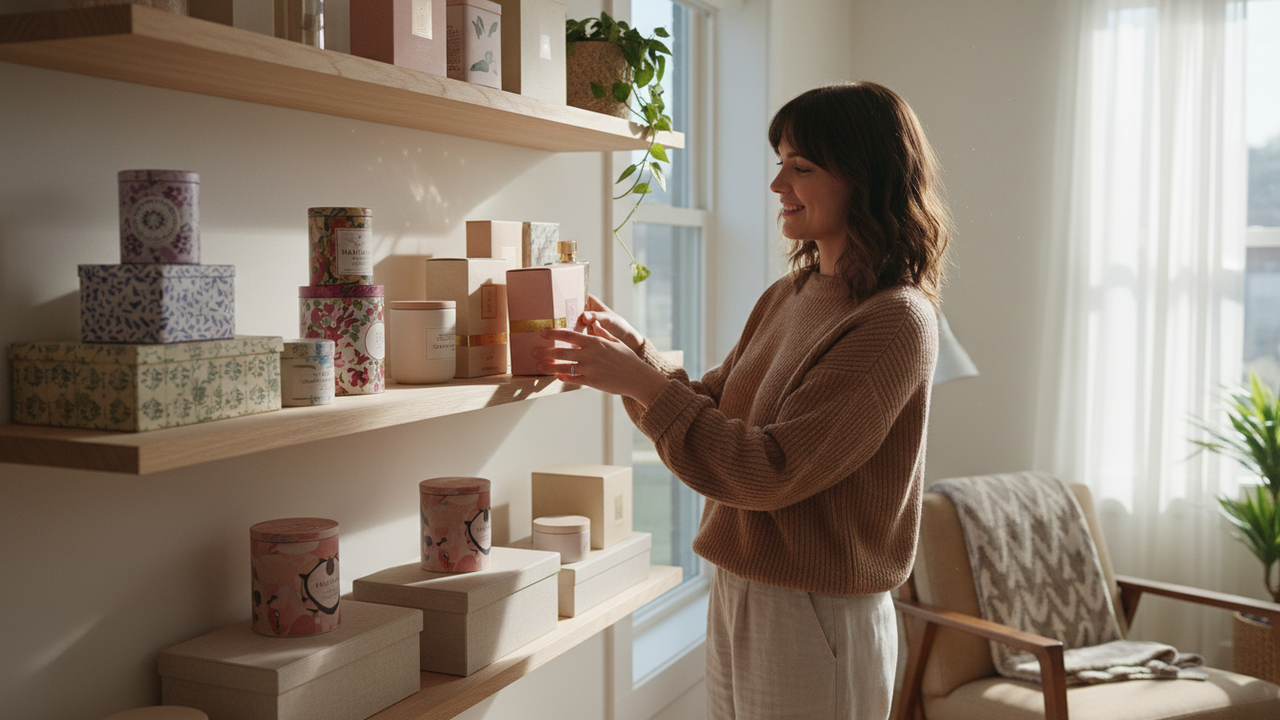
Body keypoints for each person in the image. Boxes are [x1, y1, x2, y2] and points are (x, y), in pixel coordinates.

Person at [534, 81, 950, 720]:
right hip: (742, 587)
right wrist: (640, 356)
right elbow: (717, 408)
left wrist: (642, 381)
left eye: (801, 168)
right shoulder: (792, 292)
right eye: (779, 162)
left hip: (817, 611)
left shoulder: (895, 320)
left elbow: (766, 469)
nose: (778, 184)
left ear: (865, 179)